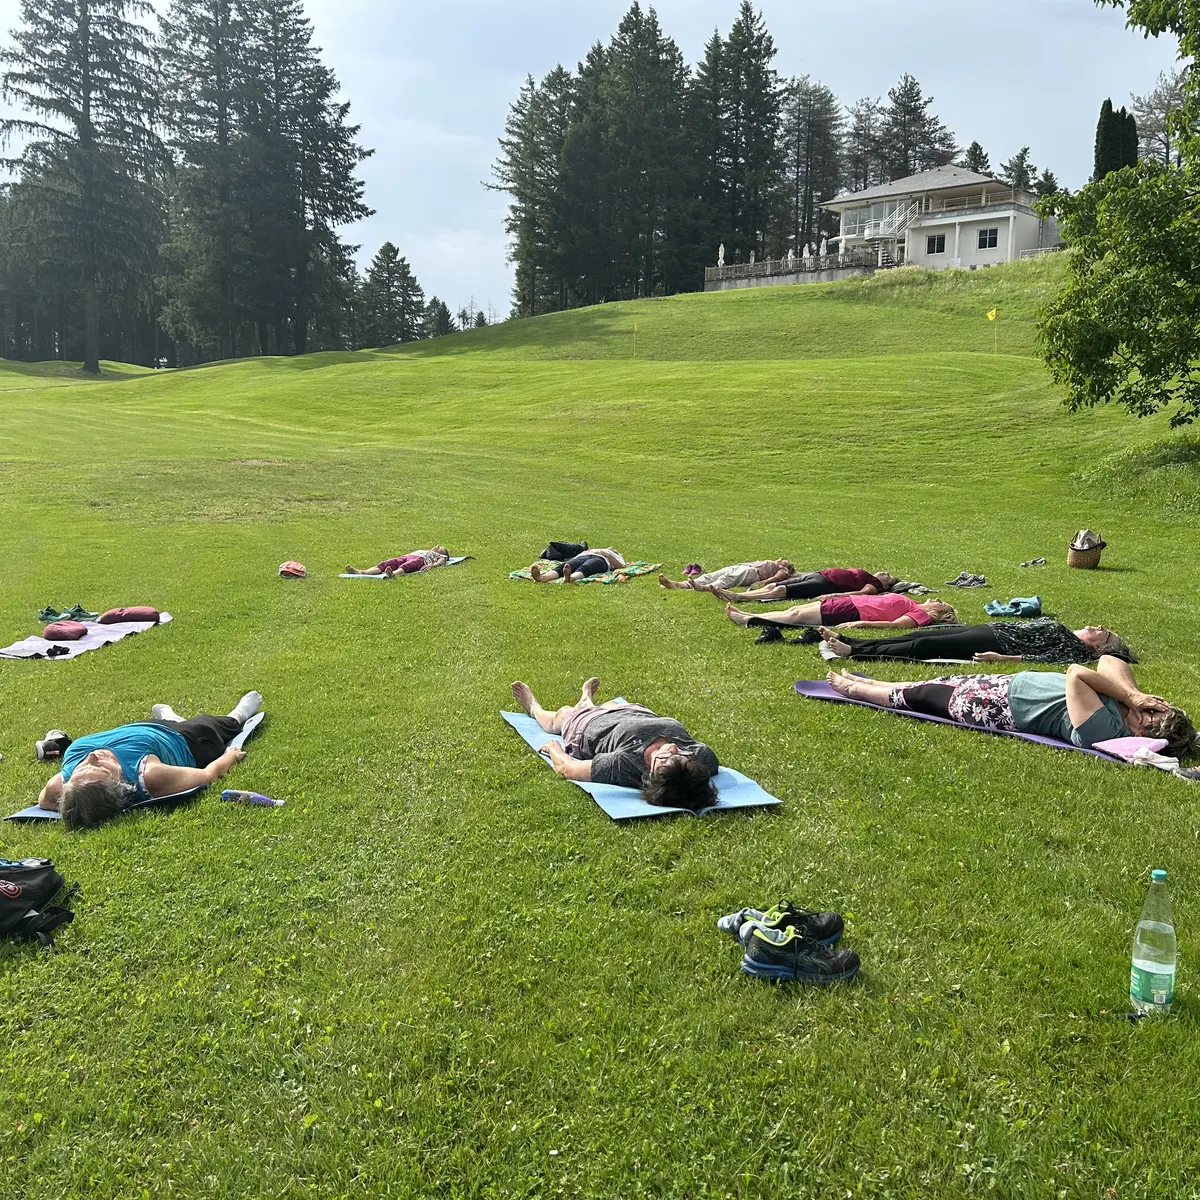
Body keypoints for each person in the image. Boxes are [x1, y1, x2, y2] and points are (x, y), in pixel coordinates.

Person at [825, 658, 1195, 757]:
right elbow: (1111, 660)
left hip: (997, 705)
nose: (1147, 706)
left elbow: (1077, 674)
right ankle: (872, 683)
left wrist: (1128, 698)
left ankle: (857, 690)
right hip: (1010, 685)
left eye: (1152, 713)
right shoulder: (1125, 706)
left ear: (1144, 732)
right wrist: (1134, 693)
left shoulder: (1106, 731)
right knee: (931, 684)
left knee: (923, 697)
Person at [37, 692, 263, 829]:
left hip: (142, 727)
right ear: (122, 783)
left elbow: (45, 802)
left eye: (82, 768)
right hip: (189, 740)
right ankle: (238, 714)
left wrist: (81, 803)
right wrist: (230, 756)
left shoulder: (60, 785)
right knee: (219, 725)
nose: (91, 756)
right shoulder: (149, 774)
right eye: (98, 767)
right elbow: (208, 775)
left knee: (172, 722)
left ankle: (171, 717)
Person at [510, 677, 720, 810]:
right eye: (682, 756)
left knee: (562, 714)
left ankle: (533, 707)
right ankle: (587, 701)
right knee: (610, 703)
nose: (674, 749)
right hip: (633, 712)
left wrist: (554, 749)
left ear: (652, 771)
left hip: (586, 726)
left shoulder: (624, 765)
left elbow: (569, 769)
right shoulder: (702, 759)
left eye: (667, 758)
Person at [819, 618, 1135, 665]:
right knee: (920, 635)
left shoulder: (1075, 650)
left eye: (1102, 632)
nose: (1096, 627)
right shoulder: (1070, 633)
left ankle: (855, 653)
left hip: (998, 642)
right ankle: (850, 641)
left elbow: (1038, 660)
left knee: (923, 648)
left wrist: (999, 659)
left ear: (1097, 646)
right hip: (988, 628)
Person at [725, 592, 958, 632]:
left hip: (852, 612)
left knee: (796, 617)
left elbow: (896, 625)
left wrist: (862, 624)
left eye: (941, 603)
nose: (937, 599)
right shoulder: (915, 603)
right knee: (794, 610)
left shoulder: (921, 615)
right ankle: (749, 615)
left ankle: (747, 620)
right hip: (849, 602)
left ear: (939, 613)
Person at [705, 567, 898, 603]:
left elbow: (860, 593)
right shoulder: (871, 576)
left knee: (781, 590)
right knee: (777, 585)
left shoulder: (875, 584)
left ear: (885, 584)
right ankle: (753, 592)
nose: (883, 573)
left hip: (824, 584)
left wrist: (833, 596)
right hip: (818, 575)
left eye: (886, 576)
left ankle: (739, 597)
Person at [659, 558, 794, 592]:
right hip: (741, 566)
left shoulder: (783, 569)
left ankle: (706, 588)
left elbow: (777, 578)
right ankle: (680, 585)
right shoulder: (771, 562)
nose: (781, 559)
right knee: (712, 575)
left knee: (727, 580)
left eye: (785, 561)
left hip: (753, 573)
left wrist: (763, 582)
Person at [530, 547, 627, 583]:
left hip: (601, 560)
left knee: (586, 568)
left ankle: (570, 578)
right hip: (582, 557)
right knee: (566, 566)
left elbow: (621, 567)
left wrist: (607, 554)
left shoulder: (614, 555)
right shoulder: (594, 549)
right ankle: (543, 577)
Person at [345, 547, 450, 577]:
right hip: (406, 556)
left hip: (419, 560)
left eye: (441, 547)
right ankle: (362, 572)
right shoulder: (425, 550)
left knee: (407, 566)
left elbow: (441, 562)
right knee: (386, 563)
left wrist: (433, 565)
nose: (437, 546)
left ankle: (393, 573)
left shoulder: (441, 556)